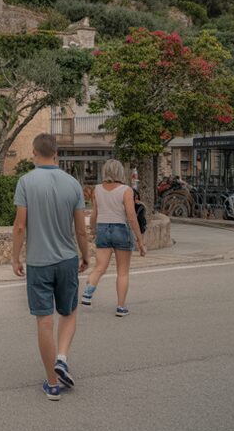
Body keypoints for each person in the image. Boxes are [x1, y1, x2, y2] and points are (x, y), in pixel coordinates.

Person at [11, 134, 89, 401]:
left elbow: (20, 225)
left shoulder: (25, 182)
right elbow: (80, 228)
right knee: (69, 312)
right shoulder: (73, 184)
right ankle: (63, 357)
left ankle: (53, 384)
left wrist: (15, 258)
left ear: (34, 152)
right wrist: (85, 255)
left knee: (44, 321)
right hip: (67, 259)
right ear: (56, 153)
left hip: (38, 262)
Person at [81, 160, 146, 316]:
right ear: (120, 172)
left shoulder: (97, 189)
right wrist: (140, 240)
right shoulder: (126, 190)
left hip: (103, 229)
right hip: (121, 229)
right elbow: (131, 216)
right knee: (122, 272)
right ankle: (120, 307)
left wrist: (94, 230)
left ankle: (88, 294)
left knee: (99, 267)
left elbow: (94, 214)